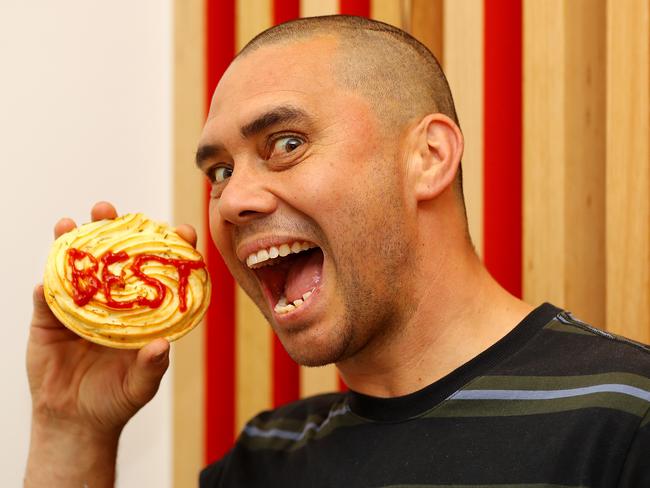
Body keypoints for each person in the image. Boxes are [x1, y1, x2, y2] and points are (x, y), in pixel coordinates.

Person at [25, 15, 650, 488]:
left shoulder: (625, 422)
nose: (232, 199)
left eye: (287, 142)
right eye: (217, 171)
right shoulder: (265, 457)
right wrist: (71, 427)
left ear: (427, 157)